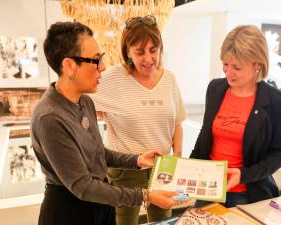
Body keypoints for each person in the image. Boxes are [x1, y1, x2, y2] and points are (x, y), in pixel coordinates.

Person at [30, 21, 185, 225]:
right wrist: (145, 196)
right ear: (69, 66)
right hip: (70, 211)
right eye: (95, 60)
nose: (102, 67)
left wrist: (137, 160)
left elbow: (98, 152)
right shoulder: (49, 118)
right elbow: (82, 186)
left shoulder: (84, 101)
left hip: (100, 204)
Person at [89, 15, 187, 225]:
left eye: (154, 50)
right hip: (126, 170)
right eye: (139, 52)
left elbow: (177, 121)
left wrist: (176, 156)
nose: (148, 58)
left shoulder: (169, 79)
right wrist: (103, 113)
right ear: (127, 52)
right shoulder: (113, 77)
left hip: (163, 167)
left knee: (163, 221)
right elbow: (82, 100)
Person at [190, 25, 281, 208]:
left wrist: (243, 175)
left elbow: (280, 154)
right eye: (225, 64)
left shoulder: (276, 101)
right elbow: (205, 135)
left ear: (257, 64)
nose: (228, 72)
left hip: (246, 195)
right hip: (208, 189)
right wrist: (187, 169)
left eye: (236, 67)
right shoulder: (215, 89)